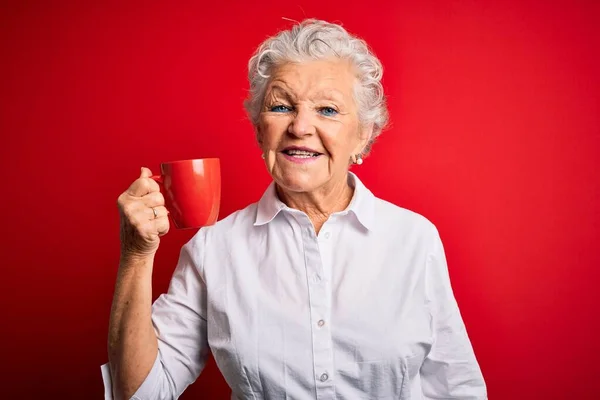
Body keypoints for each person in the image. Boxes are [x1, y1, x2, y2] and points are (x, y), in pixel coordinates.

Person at [102, 18, 487, 400]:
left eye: (328, 110)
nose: (300, 127)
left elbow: (458, 391)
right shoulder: (212, 250)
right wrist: (137, 254)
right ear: (259, 129)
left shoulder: (413, 239)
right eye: (282, 106)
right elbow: (140, 394)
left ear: (363, 134)